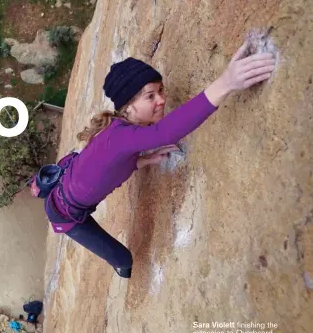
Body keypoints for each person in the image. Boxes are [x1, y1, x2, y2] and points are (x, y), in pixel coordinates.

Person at [43, 41, 276, 279]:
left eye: (161, 90)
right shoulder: (121, 138)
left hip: (70, 183)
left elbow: (109, 166)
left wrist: (145, 160)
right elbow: (164, 133)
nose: (162, 100)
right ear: (128, 107)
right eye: (150, 96)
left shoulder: (121, 130)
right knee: (124, 260)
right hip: (64, 214)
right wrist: (226, 83)